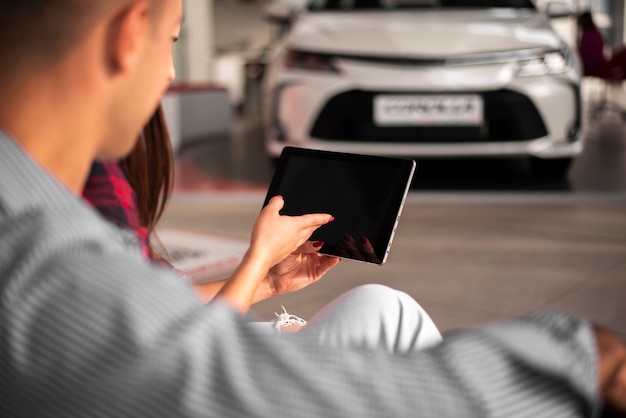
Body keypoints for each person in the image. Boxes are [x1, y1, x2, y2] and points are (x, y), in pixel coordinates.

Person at [0, 1, 625, 417]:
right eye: (170, 41)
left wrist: (264, 275)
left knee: (385, 309)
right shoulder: (39, 265)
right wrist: (582, 361)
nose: (169, 72)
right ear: (129, 33)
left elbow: (140, 322)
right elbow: (206, 378)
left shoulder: (36, 201)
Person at [578, 10, 626, 80]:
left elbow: (583, 53)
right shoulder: (595, 33)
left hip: (595, 66)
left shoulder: (589, 35)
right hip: (599, 64)